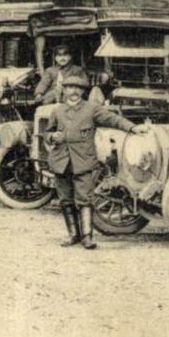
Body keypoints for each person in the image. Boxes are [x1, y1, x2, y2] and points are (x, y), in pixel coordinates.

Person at [45, 71, 146, 249]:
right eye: (70, 87)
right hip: (61, 161)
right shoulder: (57, 110)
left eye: (78, 88)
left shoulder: (92, 109)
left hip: (83, 161)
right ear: (64, 90)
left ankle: (87, 237)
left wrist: (132, 127)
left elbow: (113, 119)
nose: (74, 91)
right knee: (65, 199)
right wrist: (53, 137)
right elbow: (46, 134)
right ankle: (73, 235)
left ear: (84, 91)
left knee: (85, 199)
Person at [34, 46, 105, 105]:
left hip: (71, 96)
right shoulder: (50, 70)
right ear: (55, 58)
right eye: (59, 56)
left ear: (70, 57)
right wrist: (39, 93)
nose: (62, 58)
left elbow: (85, 83)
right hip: (52, 97)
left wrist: (72, 82)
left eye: (65, 55)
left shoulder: (77, 69)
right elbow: (44, 83)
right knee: (47, 98)